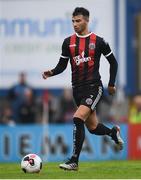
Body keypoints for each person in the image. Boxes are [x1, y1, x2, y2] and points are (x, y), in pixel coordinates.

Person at [42, 7, 124, 171]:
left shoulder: (99, 41)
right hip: (77, 90)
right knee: (93, 128)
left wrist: (111, 84)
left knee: (77, 118)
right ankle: (112, 133)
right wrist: (51, 72)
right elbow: (62, 66)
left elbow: (113, 62)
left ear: (87, 20)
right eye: (73, 21)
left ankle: (74, 161)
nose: (75, 24)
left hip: (94, 87)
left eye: (78, 21)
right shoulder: (68, 42)